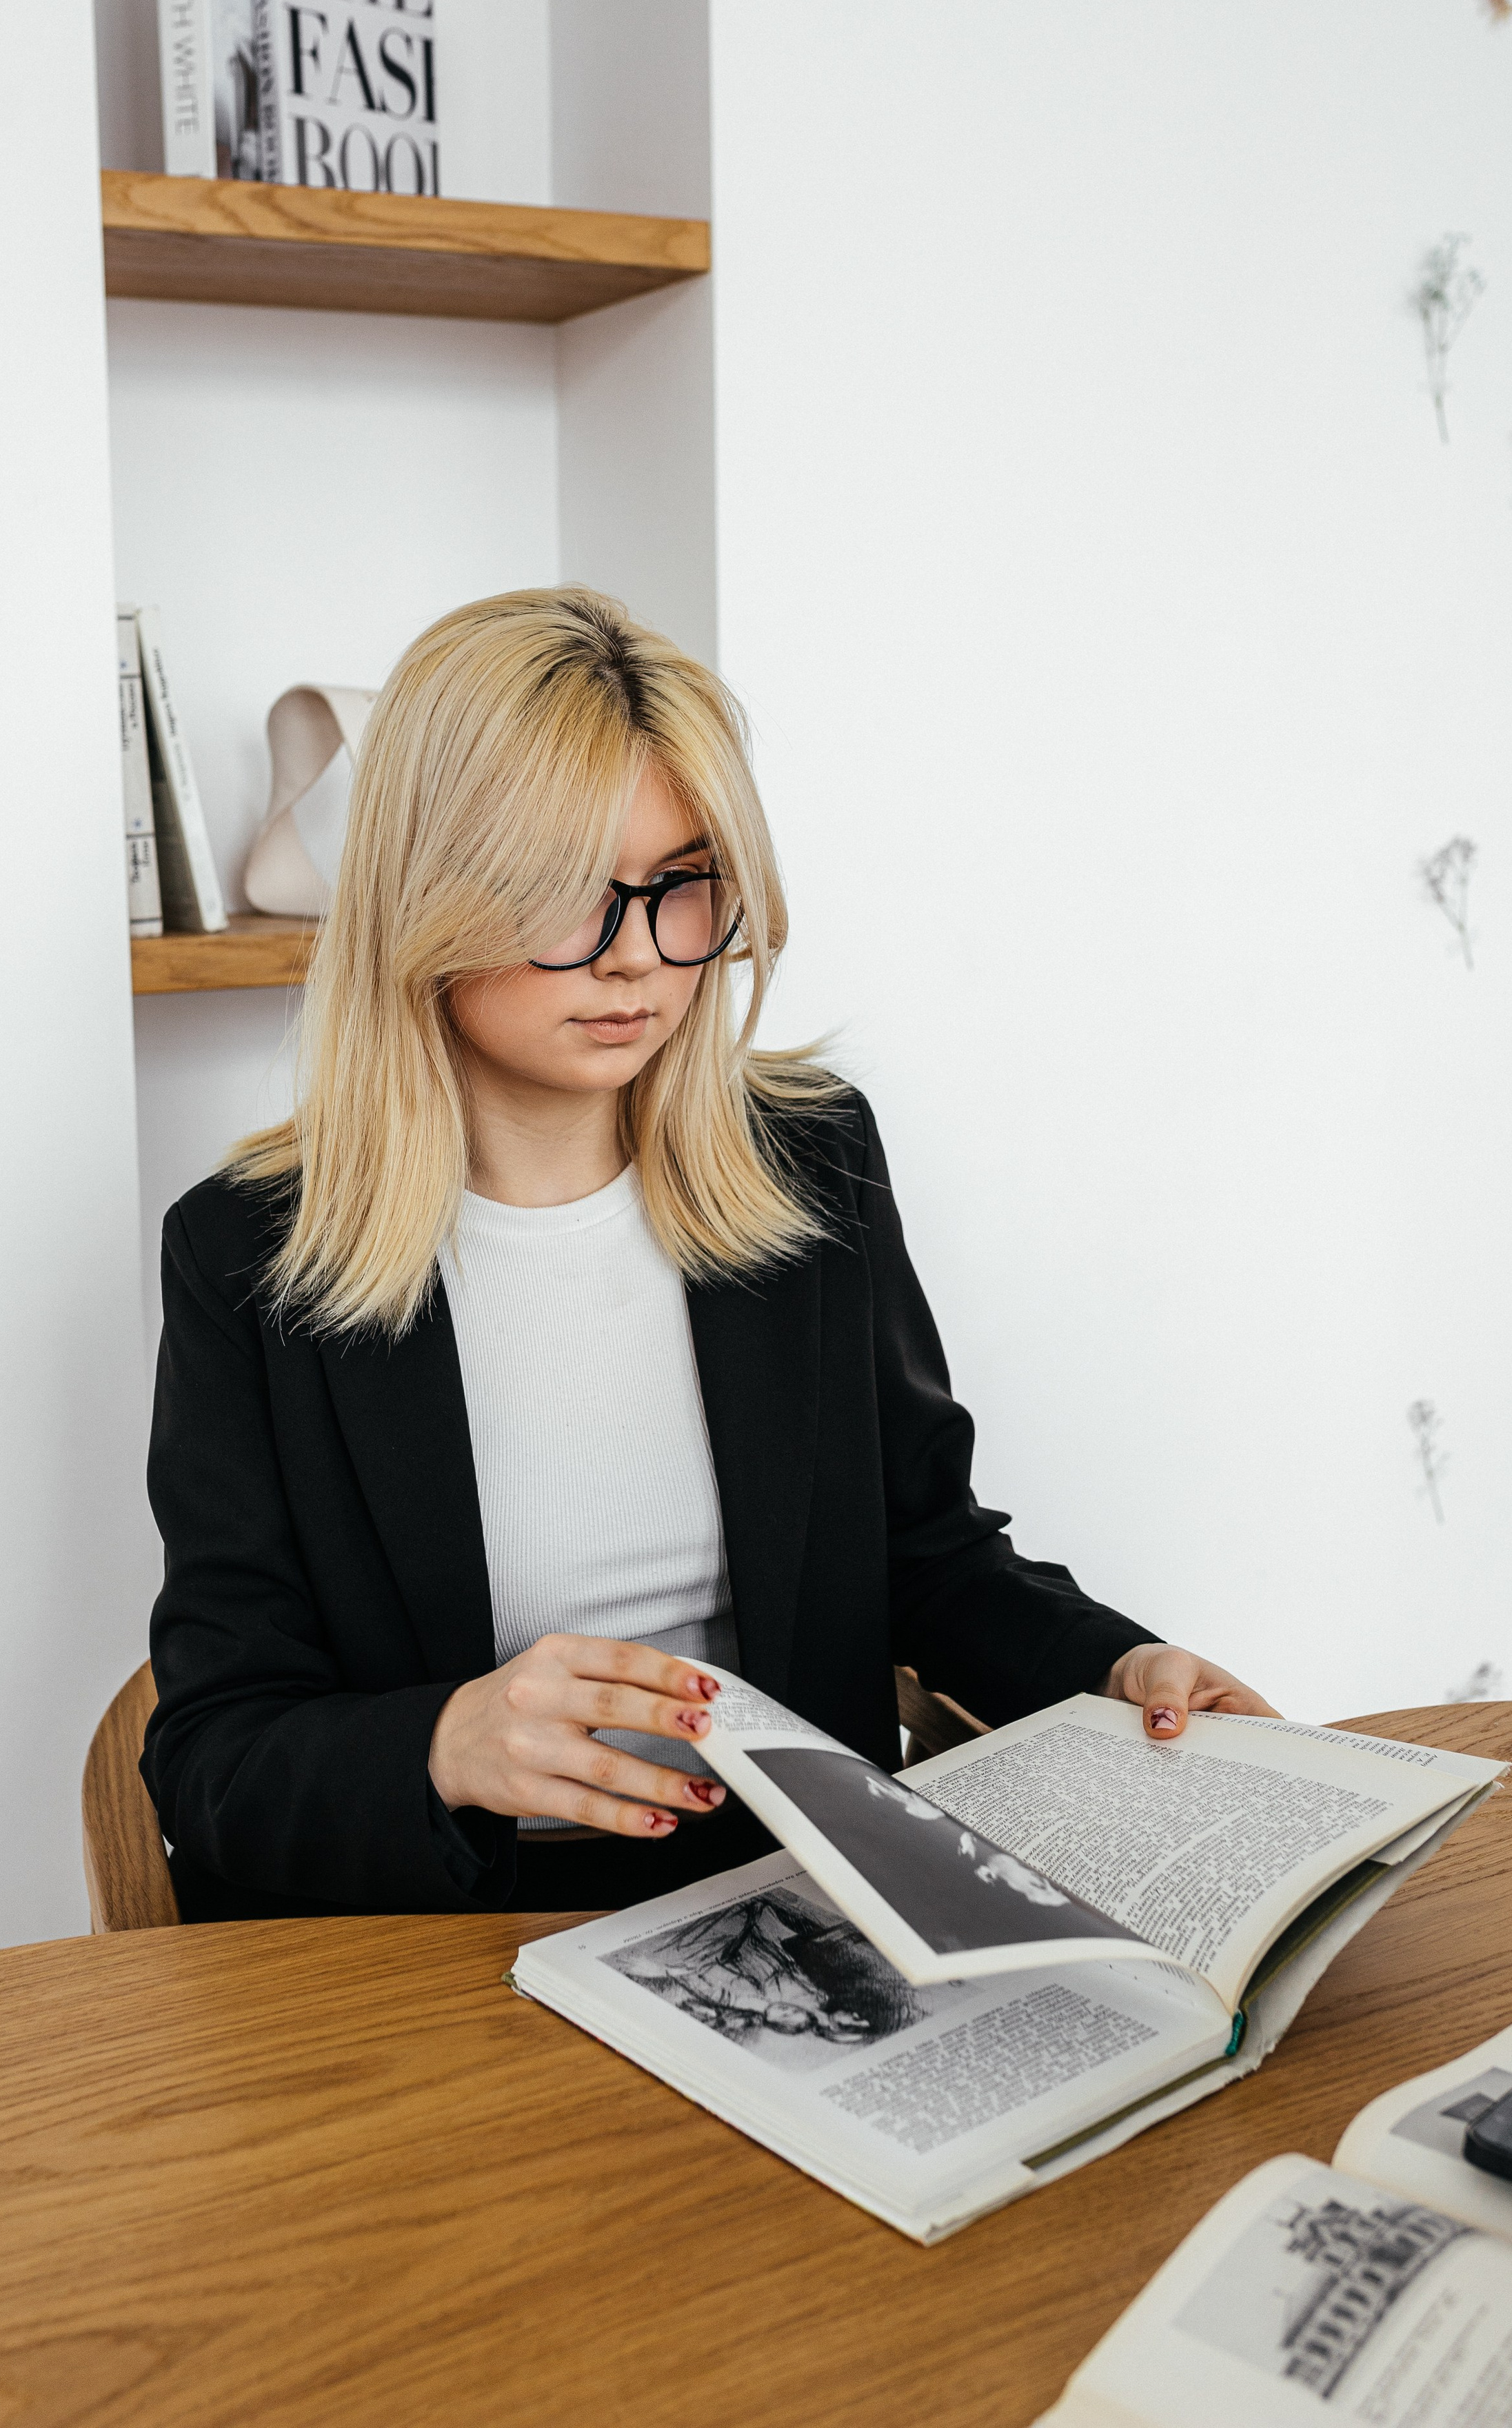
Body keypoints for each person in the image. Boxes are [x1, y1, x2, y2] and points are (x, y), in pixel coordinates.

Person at [141, 586, 1274, 1921]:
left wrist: (1116, 1671)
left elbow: (927, 1555)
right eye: (565, 893)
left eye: (681, 887)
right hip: (441, 1929)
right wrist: (446, 1744)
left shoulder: (809, 1161)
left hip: (794, 1895)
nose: (636, 959)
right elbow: (214, 1757)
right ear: (421, 894)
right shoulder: (248, 1255)